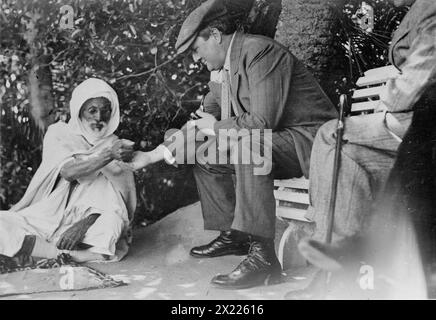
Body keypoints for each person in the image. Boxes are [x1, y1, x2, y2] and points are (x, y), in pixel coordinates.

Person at [128, 0, 337, 289]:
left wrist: (214, 128)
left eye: (196, 49)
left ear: (214, 35)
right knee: (205, 154)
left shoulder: (259, 52)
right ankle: (238, 233)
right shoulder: (222, 71)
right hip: (276, 142)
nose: (195, 59)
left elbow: (262, 122)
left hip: (312, 141)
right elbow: (201, 122)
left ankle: (264, 259)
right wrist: (150, 157)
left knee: (248, 146)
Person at [289, 0, 436, 299]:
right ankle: (338, 278)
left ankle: (331, 255)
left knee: (331, 133)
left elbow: (427, 60)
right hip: (415, 127)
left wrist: (391, 102)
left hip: (421, 123)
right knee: (348, 156)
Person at [0, 78, 136, 265]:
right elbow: (68, 171)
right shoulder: (59, 134)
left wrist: (85, 223)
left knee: (113, 223)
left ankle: (41, 252)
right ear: (79, 111)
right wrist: (108, 156)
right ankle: (59, 255)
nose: (99, 118)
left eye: (105, 111)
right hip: (47, 216)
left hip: (88, 221)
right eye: (92, 110)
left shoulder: (114, 144)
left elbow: (116, 199)